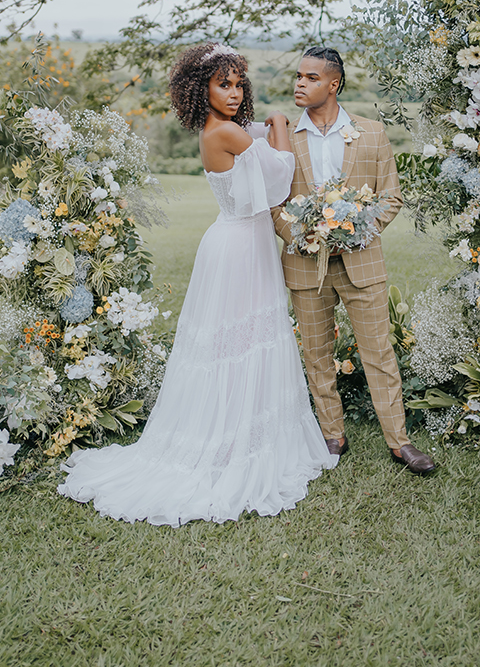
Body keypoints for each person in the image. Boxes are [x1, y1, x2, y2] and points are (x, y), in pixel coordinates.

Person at [58, 42, 337, 525]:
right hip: (235, 250)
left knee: (250, 339)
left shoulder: (227, 129)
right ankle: (225, 442)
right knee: (232, 344)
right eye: (221, 84)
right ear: (199, 89)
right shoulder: (223, 132)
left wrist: (264, 128)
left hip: (245, 244)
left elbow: (261, 162)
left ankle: (241, 431)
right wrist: (277, 122)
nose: (233, 93)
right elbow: (281, 172)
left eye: (237, 84)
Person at [272, 47, 436, 475]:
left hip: (362, 262)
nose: (300, 84)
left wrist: (353, 231)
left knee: (378, 351)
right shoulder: (284, 137)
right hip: (306, 264)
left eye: (310, 77)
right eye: (298, 76)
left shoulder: (372, 132)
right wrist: (301, 234)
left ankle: (400, 442)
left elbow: (390, 197)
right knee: (316, 352)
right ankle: (332, 434)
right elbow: (273, 204)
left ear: (333, 83)